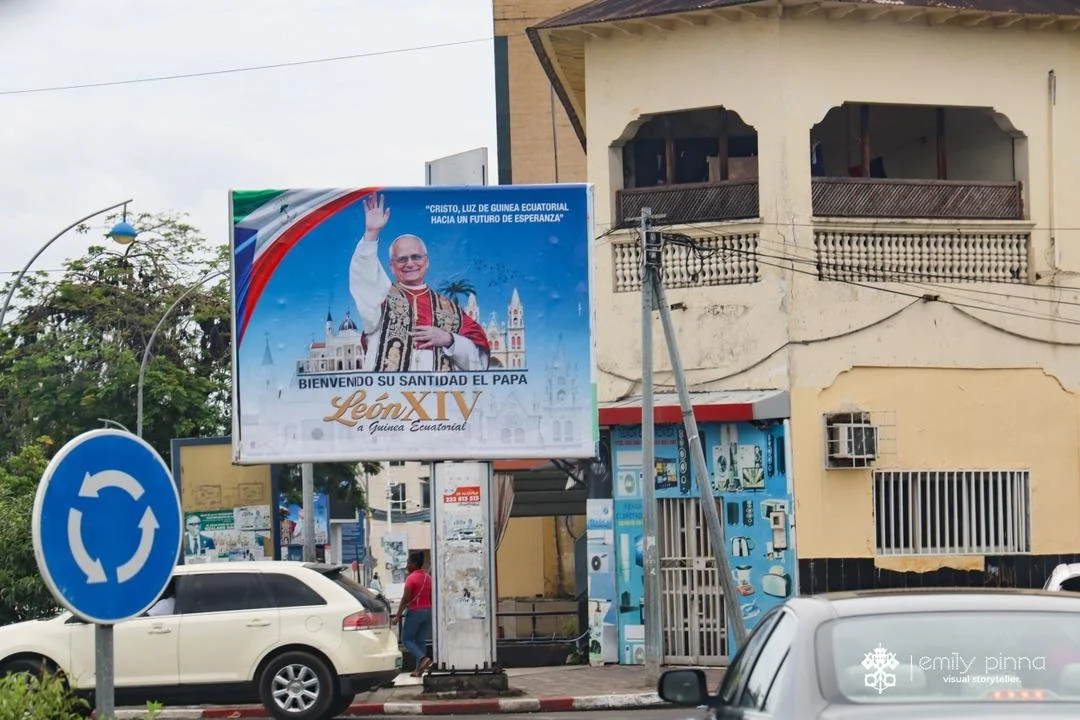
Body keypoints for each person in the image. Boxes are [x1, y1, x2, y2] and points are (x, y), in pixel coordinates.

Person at [349, 193, 490, 373]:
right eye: (401, 259)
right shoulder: (381, 298)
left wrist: (449, 339)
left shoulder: (450, 309)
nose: (409, 263)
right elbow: (364, 277)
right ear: (391, 266)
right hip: (386, 398)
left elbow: (480, 362)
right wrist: (371, 234)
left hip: (437, 397)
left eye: (416, 257)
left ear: (427, 262)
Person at [391, 551, 433, 676]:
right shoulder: (428, 578)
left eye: (408, 562)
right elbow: (430, 597)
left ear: (414, 564)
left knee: (406, 639)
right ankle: (418, 670)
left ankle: (423, 658)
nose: (407, 565)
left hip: (416, 611)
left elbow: (405, 598)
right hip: (428, 610)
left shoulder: (411, 578)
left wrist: (398, 615)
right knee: (420, 640)